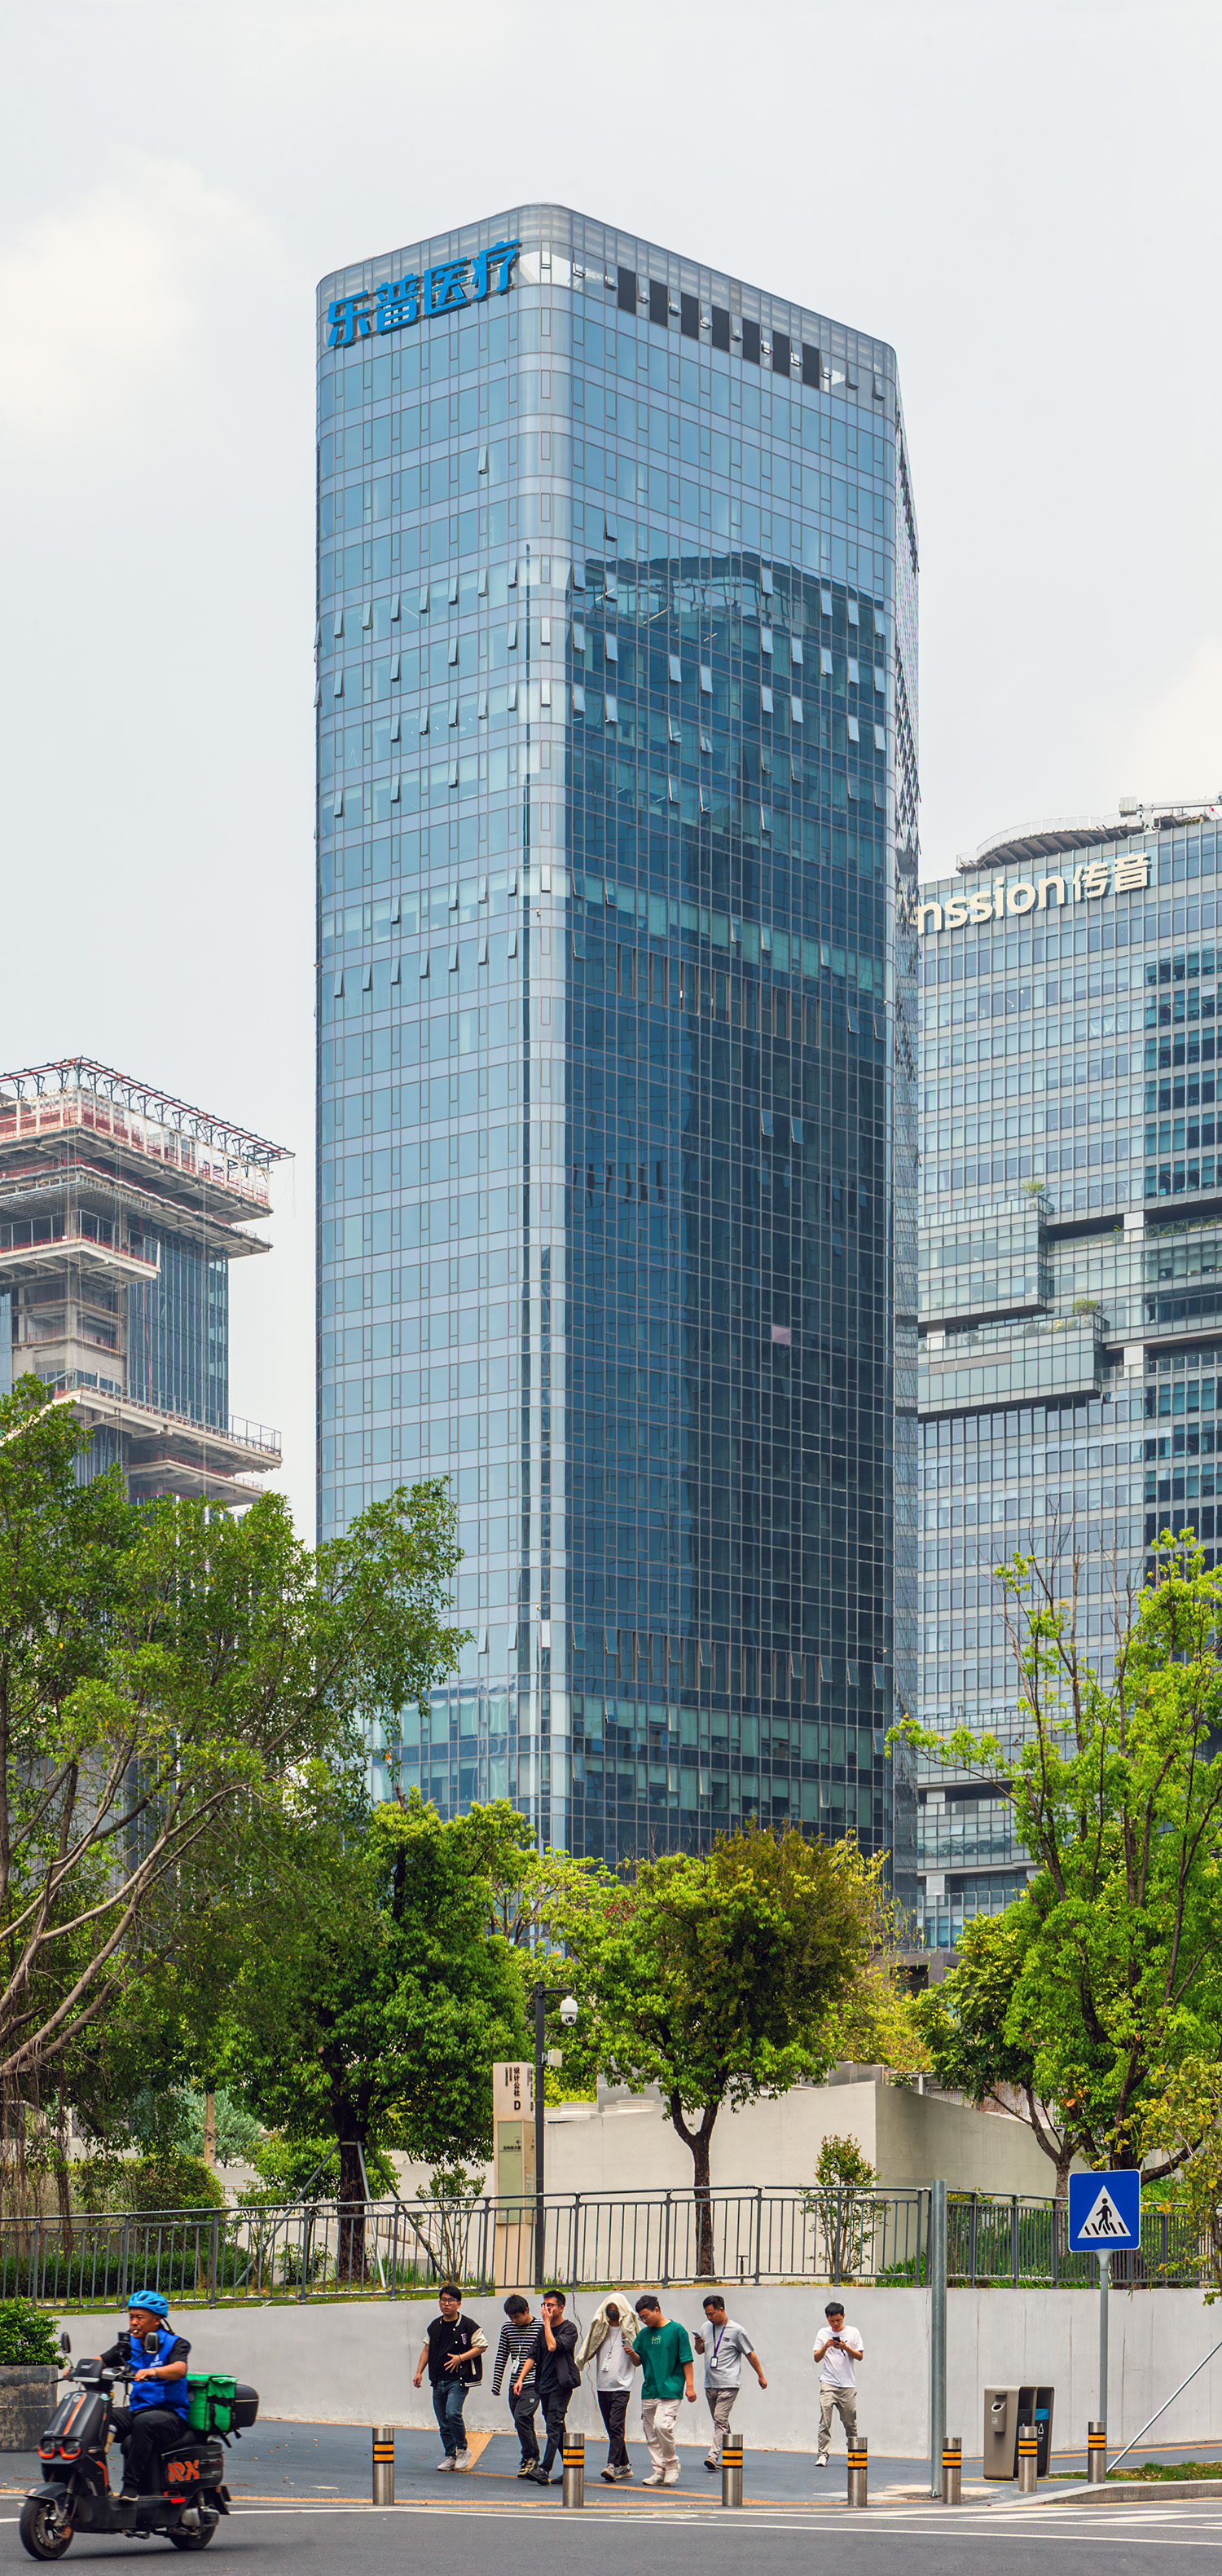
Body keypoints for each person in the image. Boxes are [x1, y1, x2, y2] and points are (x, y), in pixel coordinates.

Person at [100, 2292, 191, 2504]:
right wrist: (78, 2369)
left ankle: (130, 2488)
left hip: (170, 2416)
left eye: (139, 2317)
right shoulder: (129, 2344)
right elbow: (103, 2360)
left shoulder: (176, 2343)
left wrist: (154, 2371)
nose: (133, 2322)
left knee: (144, 2422)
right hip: (138, 2410)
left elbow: (180, 2369)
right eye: (131, 2317)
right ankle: (93, 2481)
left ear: (157, 2319)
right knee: (102, 2415)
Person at [412, 2283, 487, 2472]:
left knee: (453, 2413)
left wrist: (460, 2358)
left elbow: (482, 2346)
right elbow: (427, 2349)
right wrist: (419, 2371)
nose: (446, 2304)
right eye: (443, 2300)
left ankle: (462, 2449)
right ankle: (449, 2456)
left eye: (451, 2301)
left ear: (459, 2304)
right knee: (443, 2420)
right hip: (438, 2380)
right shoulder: (435, 2326)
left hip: (459, 2379)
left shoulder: (468, 2325)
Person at [692, 2293, 767, 2470]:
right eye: (707, 2315)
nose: (709, 2318)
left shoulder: (737, 2330)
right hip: (710, 2383)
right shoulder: (706, 2327)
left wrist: (760, 2375)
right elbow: (700, 2351)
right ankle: (733, 2454)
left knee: (720, 2418)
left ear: (722, 2309)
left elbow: (750, 2354)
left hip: (729, 2383)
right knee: (721, 2423)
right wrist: (698, 2343)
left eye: (712, 2314)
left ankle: (712, 2456)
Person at [513, 2289, 579, 2488]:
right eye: (544, 2305)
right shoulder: (543, 2331)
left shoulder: (569, 2329)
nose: (546, 2309)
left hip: (562, 2385)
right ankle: (572, 2469)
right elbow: (532, 2355)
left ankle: (545, 2468)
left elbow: (552, 2346)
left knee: (553, 2425)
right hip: (544, 2385)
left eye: (550, 2305)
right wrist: (521, 2379)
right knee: (558, 2426)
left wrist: (547, 2323)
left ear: (561, 2307)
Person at [630, 2292, 695, 2487]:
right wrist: (631, 2353)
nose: (644, 2320)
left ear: (656, 2310)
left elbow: (687, 2359)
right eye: (641, 2318)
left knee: (662, 2427)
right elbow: (638, 2361)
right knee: (650, 2433)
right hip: (650, 2390)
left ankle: (672, 2464)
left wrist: (690, 2387)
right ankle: (659, 2471)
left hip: (671, 2388)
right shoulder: (643, 2334)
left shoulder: (677, 2330)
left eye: (646, 2316)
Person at [577, 2295, 636, 2482]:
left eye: (615, 2308)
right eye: (609, 2307)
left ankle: (612, 2466)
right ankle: (625, 2465)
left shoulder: (631, 2330)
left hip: (622, 2385)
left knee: (617, 2426)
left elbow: (639, 2359)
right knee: (612, 2429)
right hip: (603, 2386)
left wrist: (631, 2348)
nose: (612, 2311)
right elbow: (589, 2348)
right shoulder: (600, 2329)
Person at [491, 2294, 540, 2476]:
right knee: (523, 2422)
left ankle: (528, 2457)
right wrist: (497, 2383)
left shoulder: (540, 2327)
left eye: (517, 2317)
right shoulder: (507, 2328)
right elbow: (502, 2355)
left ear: (526, 2311)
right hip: (514, 2384)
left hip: (534, 2382)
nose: (514, 2321)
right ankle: (533, 2457)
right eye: (511, 2317)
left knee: (522, 2416)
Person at [813, 2300, 864, 2466]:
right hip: (828, 2383)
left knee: (850, 2422)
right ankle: (822, 2454)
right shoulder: (822, 2333)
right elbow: (816, 2358)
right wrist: (826, 2347)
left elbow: (860, 2356)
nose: (835, 2324)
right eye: (832, 2320)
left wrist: (845, 2348)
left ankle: (854, 2450)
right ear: (827, 2318)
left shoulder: (853, 2332)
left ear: (843, 2316)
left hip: (847, 2384)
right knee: (825, 2419)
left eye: (838, 2320)